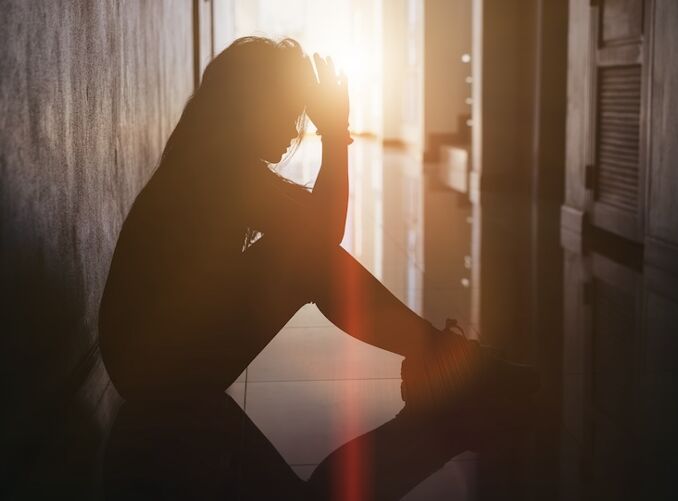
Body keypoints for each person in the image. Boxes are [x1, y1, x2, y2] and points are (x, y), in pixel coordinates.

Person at [98, 36, 537, 406]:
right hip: (155, 374)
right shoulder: (217, 170)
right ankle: (448, 361)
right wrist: (335, 132)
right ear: (251, 108)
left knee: (305, 251)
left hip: (148, 366)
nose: (294, 129)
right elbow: (324, 237)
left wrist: (334, 131)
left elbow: (317, 225)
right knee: (308, 258)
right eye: (288, 112)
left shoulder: (215, 158)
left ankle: (443, 359)